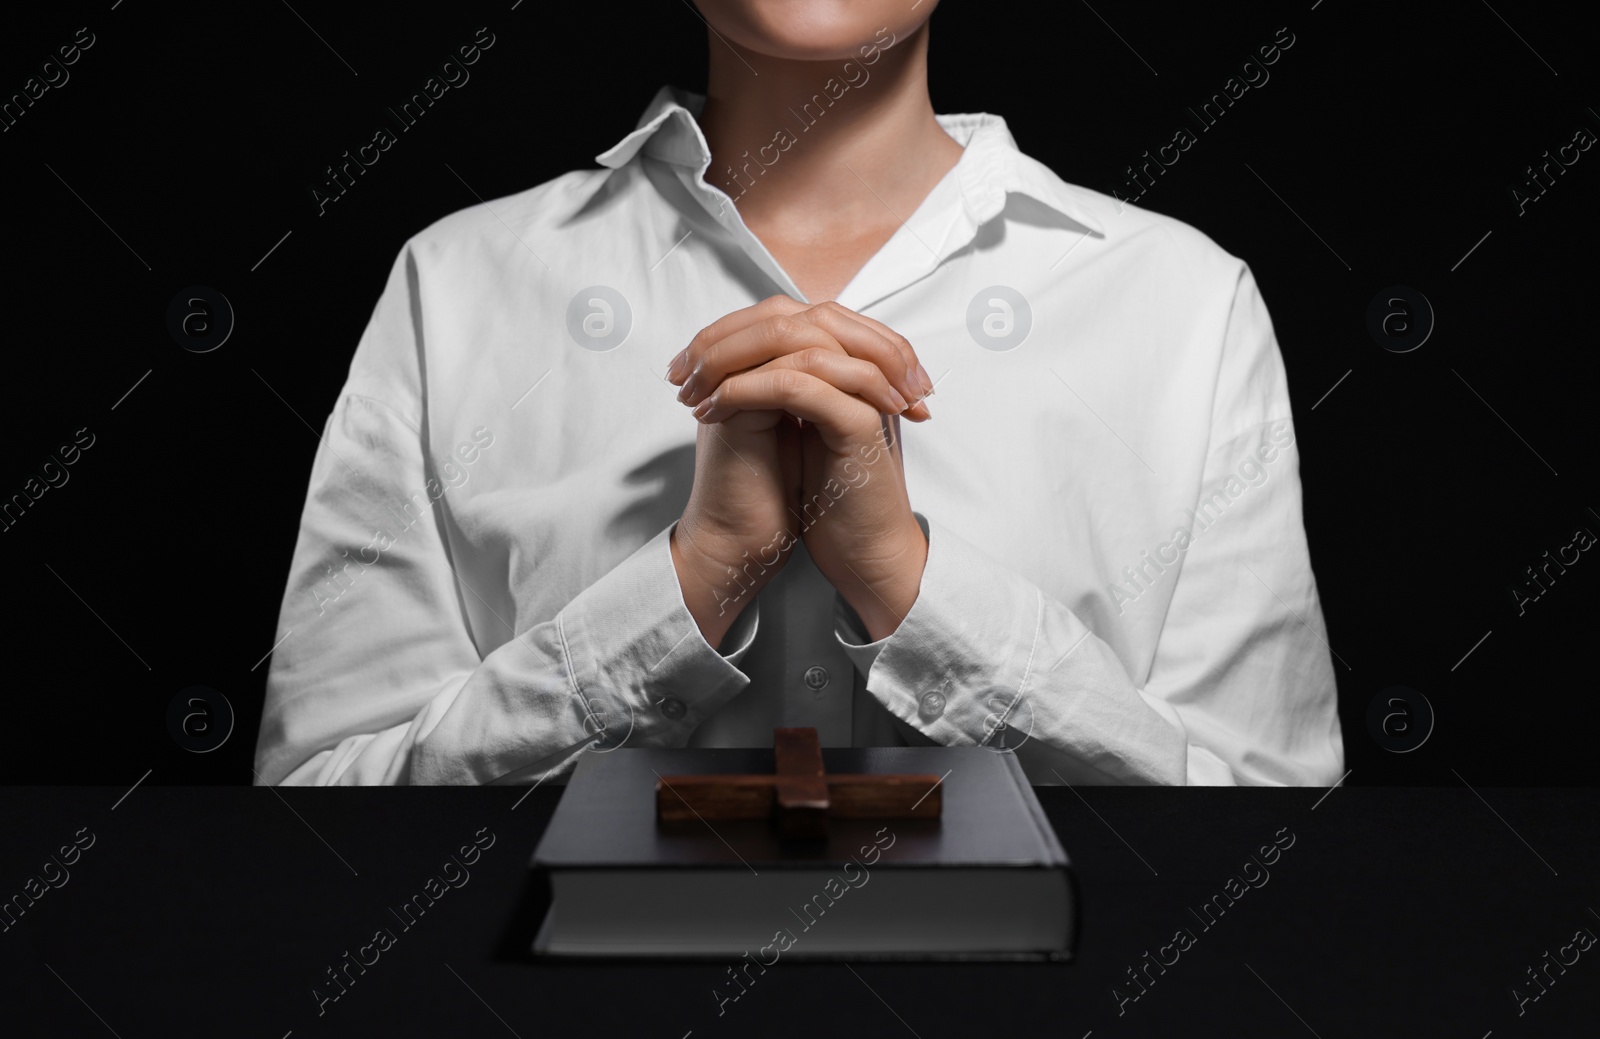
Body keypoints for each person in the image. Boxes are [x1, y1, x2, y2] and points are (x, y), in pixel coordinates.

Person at [253, 0, 1344, 786]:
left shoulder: (1184, 301)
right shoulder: (456, 287)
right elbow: (314, 828)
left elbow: (1274, 857)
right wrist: (691, 580)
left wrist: (911, 585)